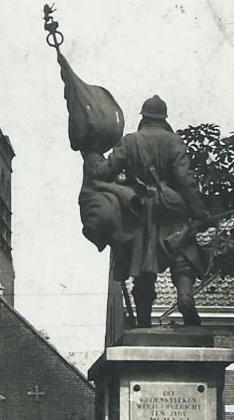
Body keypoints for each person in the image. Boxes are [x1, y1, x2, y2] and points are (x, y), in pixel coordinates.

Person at [83, 95, 210, 327]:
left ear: (144, 117)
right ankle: (185, 297)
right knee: (182, 250)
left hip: (140, 208)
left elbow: (105, 171)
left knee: (142, 261)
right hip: (172, 206)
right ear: (164, 119)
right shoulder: (175, 142)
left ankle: (143, 322)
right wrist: (199, 212)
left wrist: (90, 153)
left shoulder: (129, 142)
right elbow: (184, 179)